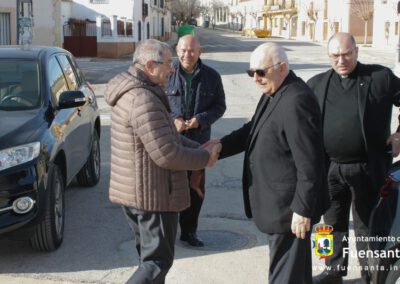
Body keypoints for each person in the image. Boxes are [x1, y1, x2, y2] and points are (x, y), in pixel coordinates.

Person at [210, 42, 329, 283]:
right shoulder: (274, 91)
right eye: (251, 72)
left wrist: (302, 209)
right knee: (295, 275)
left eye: (261, 72)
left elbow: (311, 161)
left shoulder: (296, 99)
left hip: (290, 211)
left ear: (282, 67)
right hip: (279, 207)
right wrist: (221, 146)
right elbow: (253, 128)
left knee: (284, 276)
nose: (256, 78)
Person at [104, 39, 217, 283]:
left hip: (141, 193)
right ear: (151, 65)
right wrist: (205, 157)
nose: (172, 68)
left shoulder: (142, 91)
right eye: (168, 63)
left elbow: (166, 135)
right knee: (156, 263)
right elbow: (167, 153)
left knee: (149, 261)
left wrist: (199, 147)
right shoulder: (143, 99)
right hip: (152, 196)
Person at [308, 32, 400, 284]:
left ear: (357, 51)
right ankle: (331, 269)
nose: (341, 60)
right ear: (329, 56)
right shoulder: (316, 84)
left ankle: (370, 273)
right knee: (328, 225)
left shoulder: (380, 78)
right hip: (329, 168)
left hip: (367, 168)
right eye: (335, 55)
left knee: (366, 227)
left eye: (347, 53)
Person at [166, 34, 226, 247]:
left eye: (192, 50)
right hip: (171, 143)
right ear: (176, 50)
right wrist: (173, 119)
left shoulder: (212, 76)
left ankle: (189, 231)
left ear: (200, 52)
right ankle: (167, 233)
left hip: (199, 144)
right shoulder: (167, 74)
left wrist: (200, 120)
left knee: (196, 189)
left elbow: (220, 107)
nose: (187, 54)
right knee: (170, 188)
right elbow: (156, 103)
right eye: (182, 50)